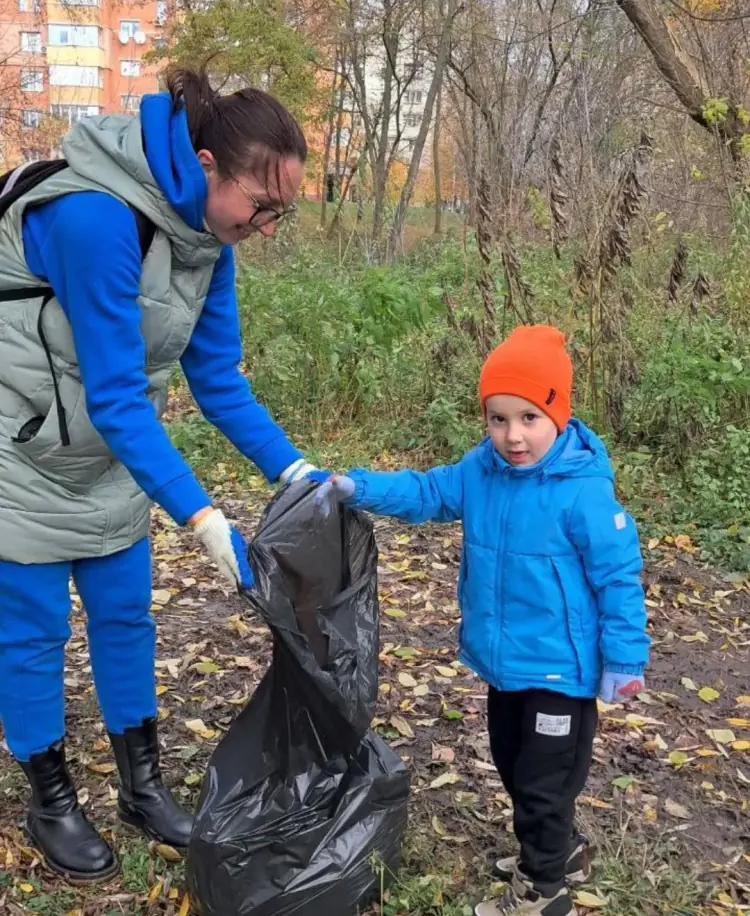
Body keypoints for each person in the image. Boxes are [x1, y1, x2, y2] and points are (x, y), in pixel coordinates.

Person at [0, 66, 329, 883]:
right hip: (18, 444)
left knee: (125, 615)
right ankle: (51, 799)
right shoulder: (93, 218)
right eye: (262, 206)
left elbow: (217, 380)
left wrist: (297, 473)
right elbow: (116, 395)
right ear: (208, 164)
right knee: (32, 632)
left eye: (279, 215)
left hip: (107, 454)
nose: (265, 227)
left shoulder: (206, 238)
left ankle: (141, 788)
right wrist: (203, 517)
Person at [315, 325, 650, 916]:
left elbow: (619, 579)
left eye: (528, 418)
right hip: (505, 663)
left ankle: (544, 892)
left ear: (559, 416)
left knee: (543, 787)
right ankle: (559, 850)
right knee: (511, 762)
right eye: (498, 419)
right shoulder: (481, 472)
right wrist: (357, 486)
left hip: (560, 675)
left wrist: (624, 659)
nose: (512, 436)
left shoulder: (584, 495)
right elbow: (426, 491)